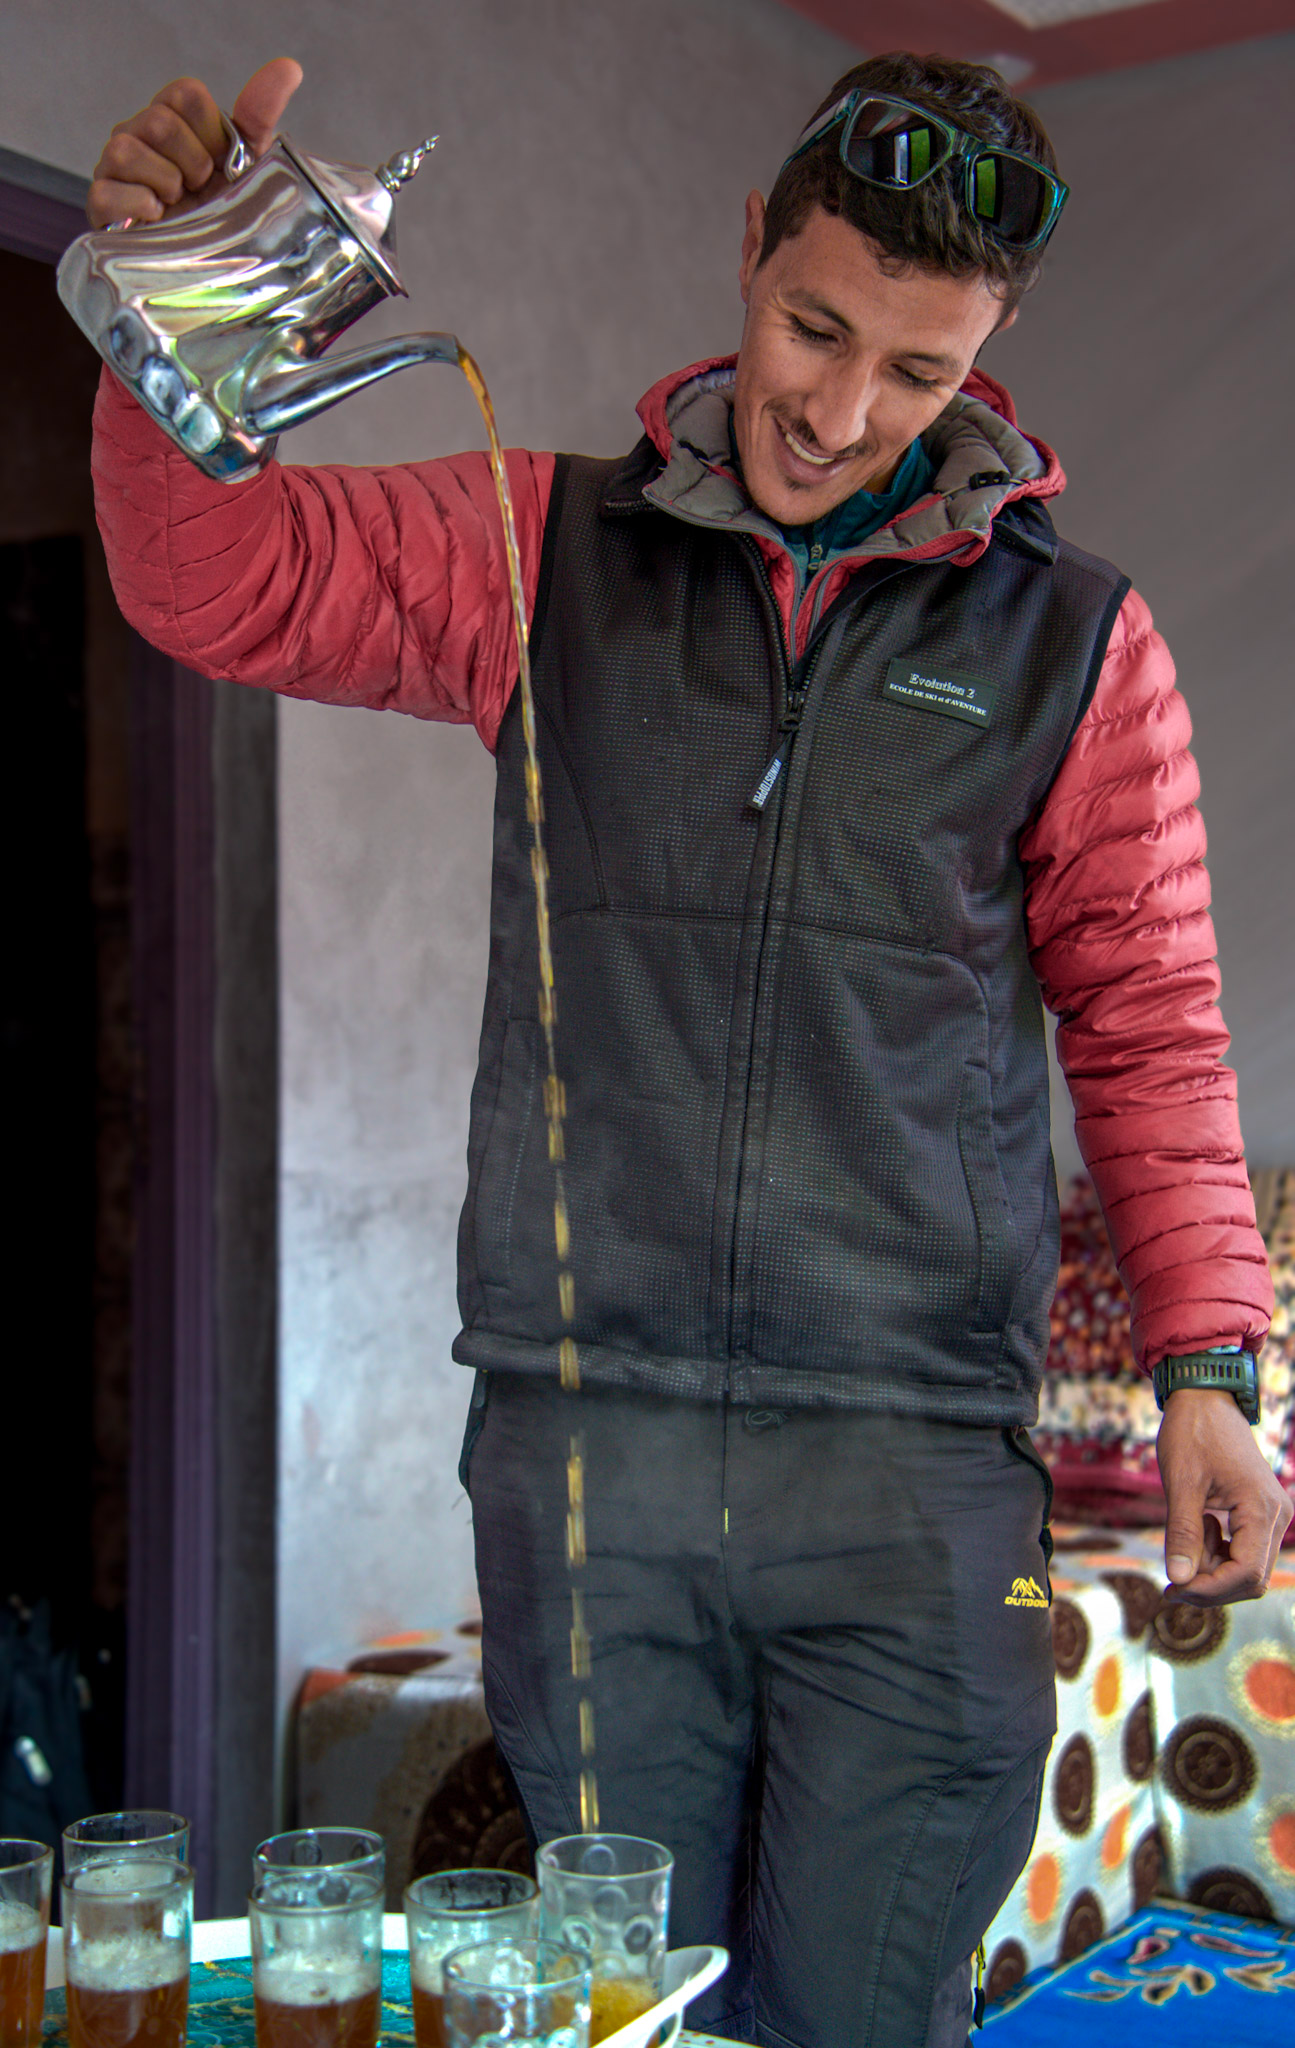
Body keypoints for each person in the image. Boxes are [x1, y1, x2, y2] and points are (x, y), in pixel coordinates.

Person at [88, 49, 1290, 2047]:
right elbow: (209, 579)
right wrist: (178, 298)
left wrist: (1206, 1368)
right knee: (618, 2022)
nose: (836, 412)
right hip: (589, 1463)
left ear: (984, 359)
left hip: (908, 1483)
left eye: (912, 373)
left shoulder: (1073, 649)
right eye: (811, 328)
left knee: (842, 2018)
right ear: (745, 250)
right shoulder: (536, 551)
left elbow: (1150, 1025)